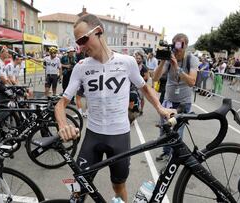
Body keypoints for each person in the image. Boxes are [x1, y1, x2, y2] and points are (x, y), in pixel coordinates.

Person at [54, 14, 174, 202]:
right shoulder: (81, 67)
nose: (81, 47)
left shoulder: (127, 62)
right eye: (78, 42)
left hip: (119, 136)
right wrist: (62, 125)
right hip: (93, 135)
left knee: (118, 186)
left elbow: (145, 88)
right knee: (79, 189)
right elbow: (61, 103)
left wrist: (160, 108)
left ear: (99, 32)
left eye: (83, 40)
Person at [152, 33, 198, 162]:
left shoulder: (191, 59)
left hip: (183, 103)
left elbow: (192, 82)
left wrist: (177, 68)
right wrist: (162, 61)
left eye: (180, 46)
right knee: (164, 130)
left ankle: (174, 158)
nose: (177, 50)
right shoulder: (169, 59)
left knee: (178, 132)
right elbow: (155, 78)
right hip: (168, 101)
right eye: (175, 45)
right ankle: (166, 153)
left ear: (186, 46)